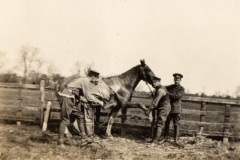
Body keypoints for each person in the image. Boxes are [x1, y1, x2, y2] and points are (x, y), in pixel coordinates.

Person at [57, 69, 104, 147]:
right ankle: (60, 142)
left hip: (71, 98)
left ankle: (84, 139)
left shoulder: (83, 80)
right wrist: (99, 102)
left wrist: (86, 102)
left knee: (80, 116)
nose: (96, 81)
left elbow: (80, 95)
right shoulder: (85, 81)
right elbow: (88, 96)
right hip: (67, 97)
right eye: (96, 78)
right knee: (65, 119)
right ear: (92, 77)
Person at [147, 75, 171, 145]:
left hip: (164, 107)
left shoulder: (160, 90)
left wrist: (149, 111)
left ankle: (155, 141)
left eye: (154, 82)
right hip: (161, 107)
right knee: (157, 122)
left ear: (158, 82)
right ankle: (154, 139)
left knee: (159, 123)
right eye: (152, 82)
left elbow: (155, 103)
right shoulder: (157, 89)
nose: (153, 84)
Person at [165, 73, 185, 148]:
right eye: (175, 79)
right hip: (169, 108)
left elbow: (176, 97)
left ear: (180, 80)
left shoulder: (181, 89)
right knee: (167, 123)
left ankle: (176, 140)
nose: (176, 81)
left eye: (178, 80)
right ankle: (165, 137)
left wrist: (167, 93)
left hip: (176, 109)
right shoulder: (171, 87)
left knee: (176, 124)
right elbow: (163, 88)